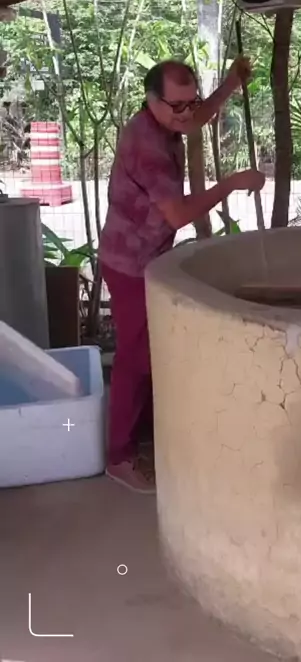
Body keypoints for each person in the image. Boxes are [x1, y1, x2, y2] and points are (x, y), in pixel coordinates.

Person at [99, 58, 265, 493]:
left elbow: (196, 118)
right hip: (129, 263)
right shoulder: (146, 145)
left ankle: (144, 437)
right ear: (152, 100)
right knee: (135, 359)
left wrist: (230, 84)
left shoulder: (169, 120)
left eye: (191, 102)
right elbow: (178, 214)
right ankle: (118, 457)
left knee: (149, 353)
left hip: (149, 258)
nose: (187, 113)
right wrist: (230, 184)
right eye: (178, 106)